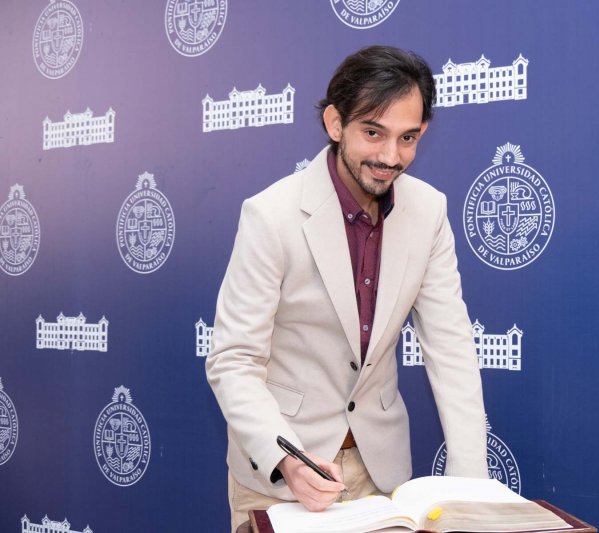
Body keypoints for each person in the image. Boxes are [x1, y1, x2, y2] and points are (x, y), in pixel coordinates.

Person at [206, 45, 488, 531]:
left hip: (382, 478)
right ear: (335, 123)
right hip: (279, 476)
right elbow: (233, 360)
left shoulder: (429, 212)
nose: (390, 157)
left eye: (407, 138)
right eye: (373, 133)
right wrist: (286, 460)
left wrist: (471, 494)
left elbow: (452, 351)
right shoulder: (270, 215)